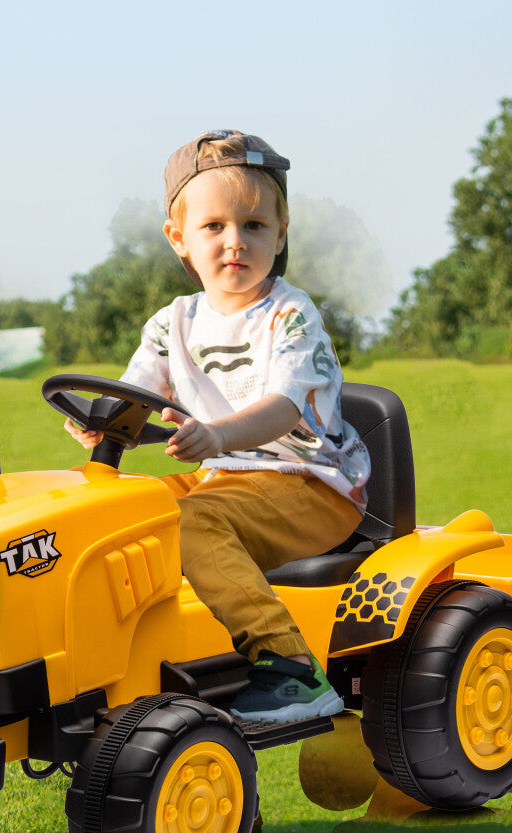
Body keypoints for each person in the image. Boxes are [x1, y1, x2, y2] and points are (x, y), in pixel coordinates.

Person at [66, 129, 371, 723]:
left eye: (255, 226)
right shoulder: (172, 322)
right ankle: (104, 665)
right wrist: (101, 428)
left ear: (281, 235)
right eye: (214, 227)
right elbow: (133, 397)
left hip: (312, 485)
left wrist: (218, 436)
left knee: (190, 519)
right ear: (178, 237)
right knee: (124, 514)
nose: (236, 242)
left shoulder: (289, 313)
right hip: (229, 479)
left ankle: (290, 666)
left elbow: (285, 408)